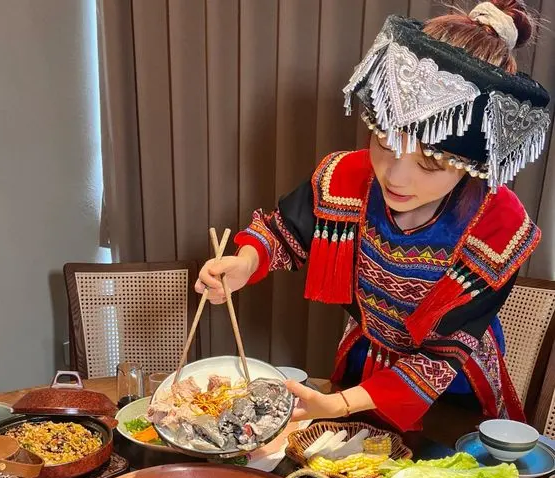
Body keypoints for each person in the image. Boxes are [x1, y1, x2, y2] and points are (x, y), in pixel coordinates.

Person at [196, 0, 550, 432]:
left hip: (452, 389)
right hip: (366, 358)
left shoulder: (499, 228)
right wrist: (244, 263)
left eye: (429, 163)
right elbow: (284, 231)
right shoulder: (348, 176)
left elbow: (442, 356)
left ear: (472, 165)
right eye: (383, 142)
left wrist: (340, 403)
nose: (394, 177)